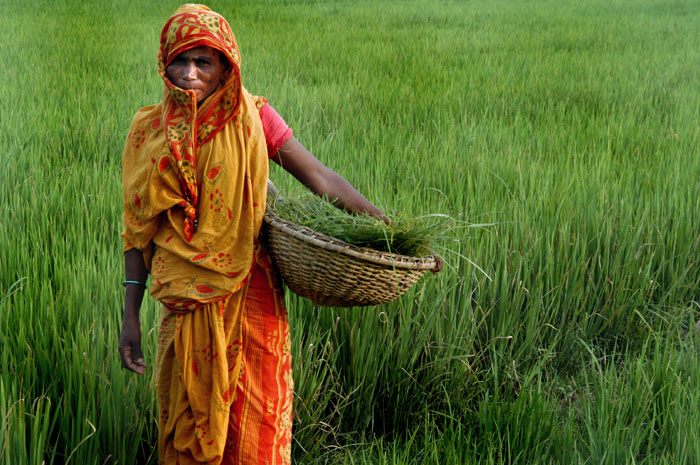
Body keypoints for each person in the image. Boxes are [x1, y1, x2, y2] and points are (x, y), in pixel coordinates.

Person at [117, 4, 404, 464]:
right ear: (163, 62)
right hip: (184, 305)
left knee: (257, 431)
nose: (190, 73)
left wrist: (389, 230)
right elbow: (137, 231)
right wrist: (130, 313)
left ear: (226, 64)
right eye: (180, 61)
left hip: (252, 299)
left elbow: (321, 179)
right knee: (186, 425)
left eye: (204, 62)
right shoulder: (147, 132)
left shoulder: (253, 118)